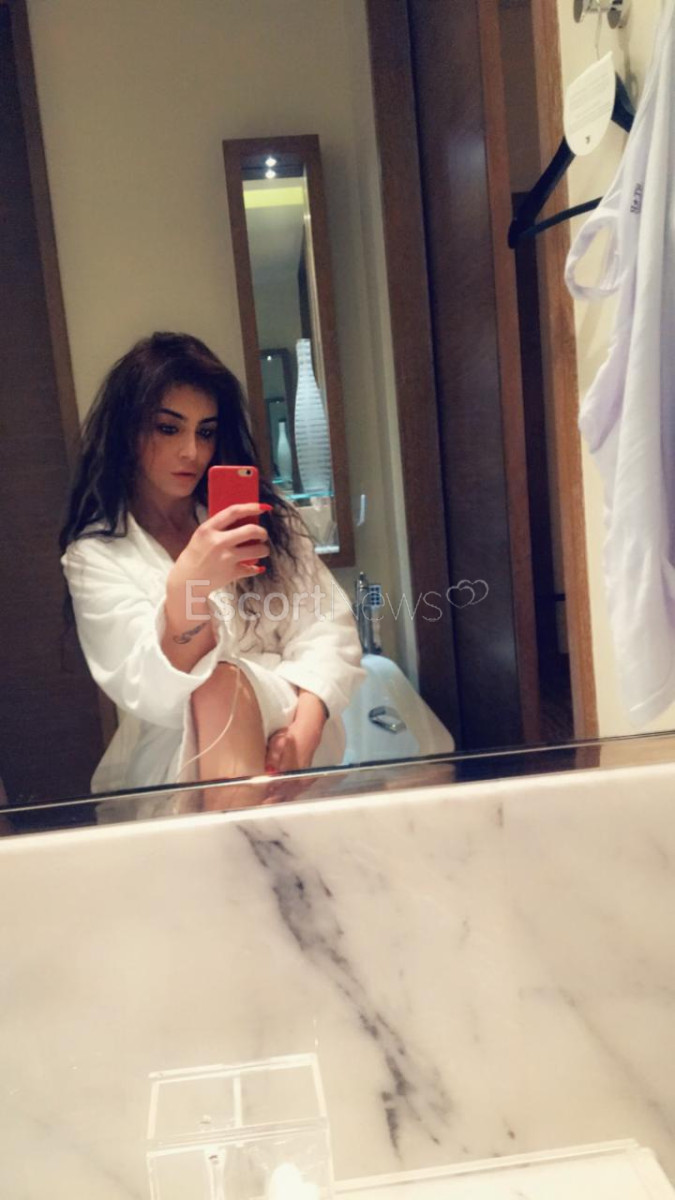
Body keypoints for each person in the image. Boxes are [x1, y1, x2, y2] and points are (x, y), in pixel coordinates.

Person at [59, 332, 365, 809]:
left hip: (299, 738)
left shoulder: (265, 519)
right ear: (127, 430)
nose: (192, 452)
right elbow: (151, 691)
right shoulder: (96, 556)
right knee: (219, 684)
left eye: (205, 432)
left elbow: (327, 628)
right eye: (168, 428)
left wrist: (305, 732)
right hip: (186, 761)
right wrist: (191, 586)